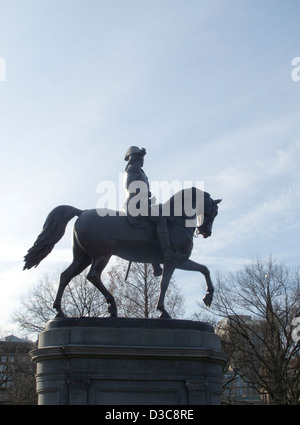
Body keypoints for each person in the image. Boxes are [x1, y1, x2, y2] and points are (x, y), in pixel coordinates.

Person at [123, 146, 183, 268]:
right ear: (135, 158)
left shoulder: (138, 170)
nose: (142, 161)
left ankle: (155, 261)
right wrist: (142, 192)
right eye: (140, 158)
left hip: (143, 203)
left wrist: (147, 195)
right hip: (137, 205)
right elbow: (129, 185)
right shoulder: (133, 168)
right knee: (160, 219)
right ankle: (167, 252)